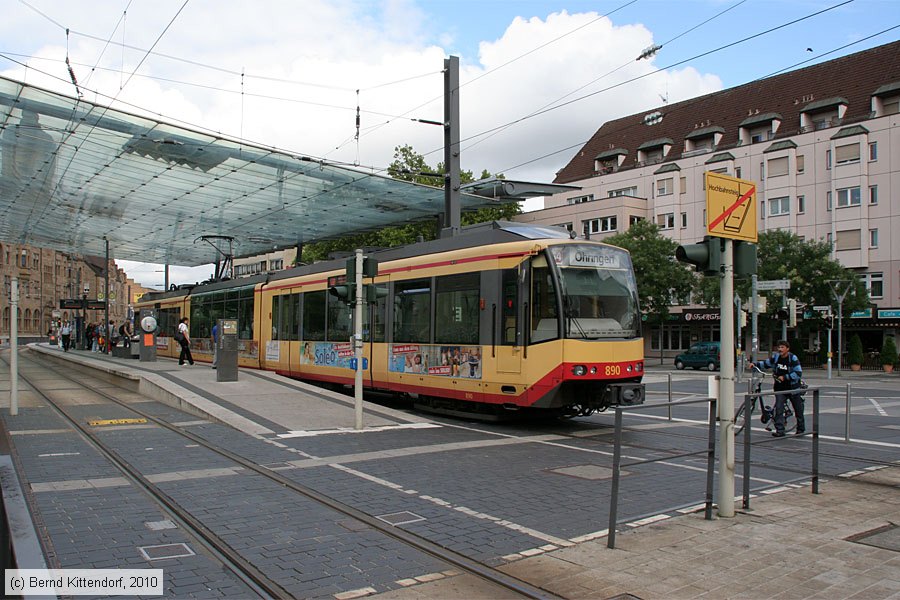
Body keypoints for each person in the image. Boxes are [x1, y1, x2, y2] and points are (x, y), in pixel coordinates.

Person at [751, 340, 805, 437]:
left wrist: (785, 377)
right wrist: (755, 364)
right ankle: (780, 430)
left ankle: (800, 429)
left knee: (798, 409)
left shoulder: (792, 358)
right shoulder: (776, 357)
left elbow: (798, 373)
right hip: (780, 388)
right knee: (778, 409)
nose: (780, 349)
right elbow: (766, 363)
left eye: (782, 347)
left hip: (792, 388)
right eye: (779, 347)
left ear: (787, 349)